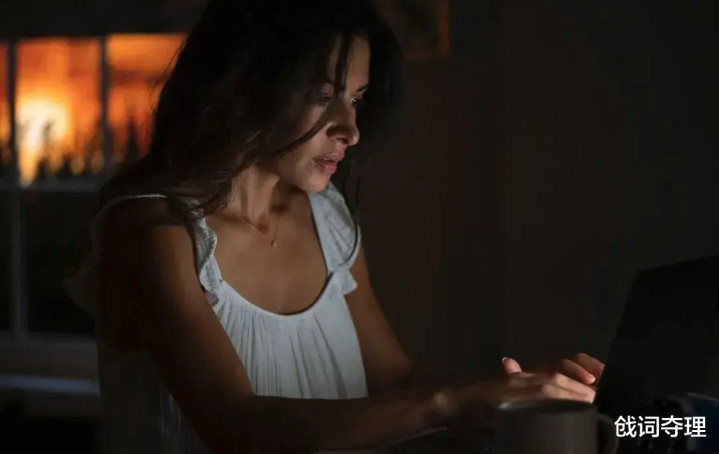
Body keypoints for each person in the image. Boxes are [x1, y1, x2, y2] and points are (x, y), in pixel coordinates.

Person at [65, 0, 604, 453]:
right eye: (325, 97)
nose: (351, 129)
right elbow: (236, 425)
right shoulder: (154, 231)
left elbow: (394, 382)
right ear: (246, 87)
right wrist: (455, 402)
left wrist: (521, 390)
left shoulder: (329, 218)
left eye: (357, 100)